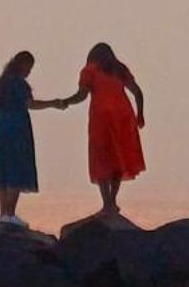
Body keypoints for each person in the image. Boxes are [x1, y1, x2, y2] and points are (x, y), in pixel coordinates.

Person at [59, 43, 147, 216]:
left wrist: (66, 101)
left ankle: (107, 203)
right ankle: (112, 202)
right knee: (117, 158)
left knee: (101, 158)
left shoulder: (90, 70)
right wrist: (140, 114)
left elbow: (82, 95)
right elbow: (137, 92)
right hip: (123, 116)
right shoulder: (120, 70)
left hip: (102, 117)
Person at [0, 51, 72, 228]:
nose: (29, 71)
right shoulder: (18, 84)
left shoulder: (2, 82)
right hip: (17, 129)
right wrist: (53, 103)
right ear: (23, 64)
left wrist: (3, 118)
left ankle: (4, 213)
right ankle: (10, 213)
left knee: (4, 168)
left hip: (2, 128)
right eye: (29, 67)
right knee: (17, 168)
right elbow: (30, 104)